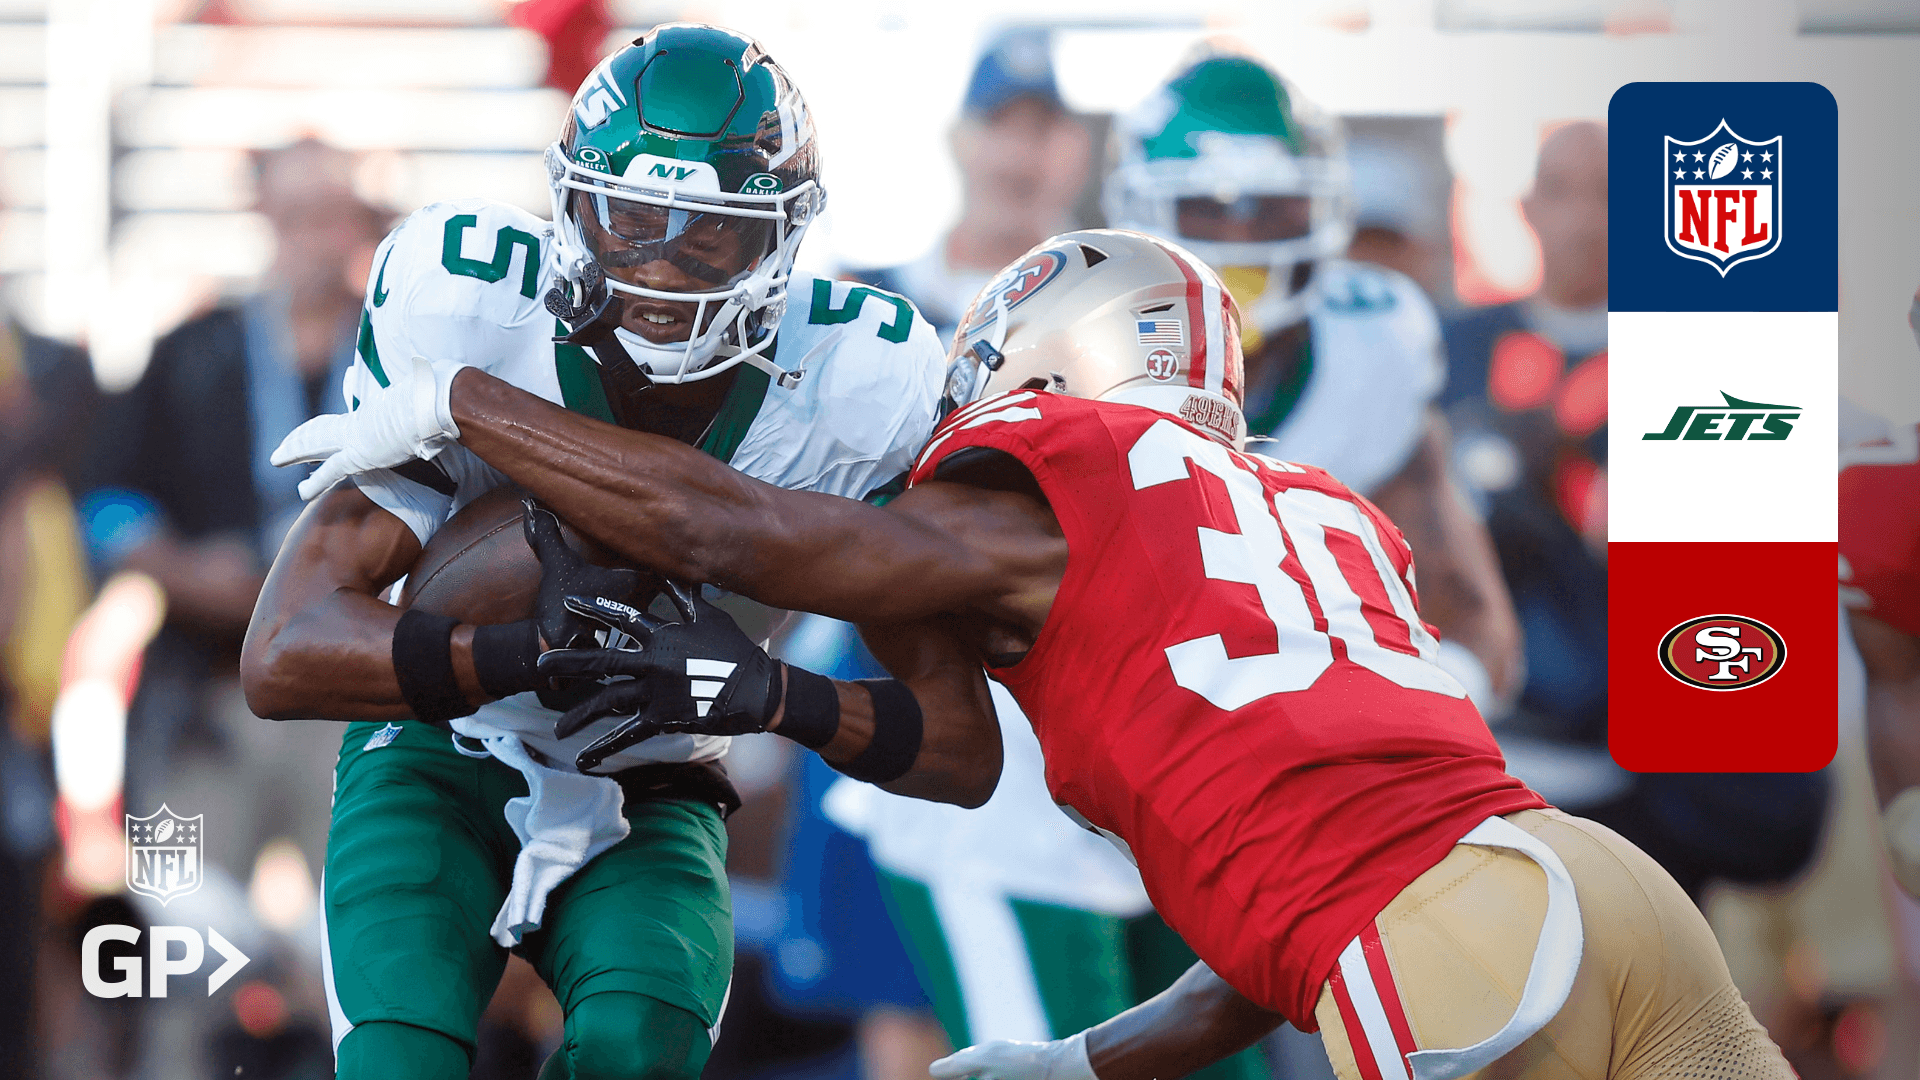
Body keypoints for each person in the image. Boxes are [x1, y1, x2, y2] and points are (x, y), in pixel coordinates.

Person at [278, 229, 1794, 1079]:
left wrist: (463, 404)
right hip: (1596, 884)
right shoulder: (1318, 505)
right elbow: (1295, 911)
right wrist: (1076, 1066)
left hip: (1440, 940)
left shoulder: (1059, 476)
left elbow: (736, 529)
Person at [239, 24, 946, 1080]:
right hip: (443, 746)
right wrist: (522, 655)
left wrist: (769, 695)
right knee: (398, 1056)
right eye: (632, 219)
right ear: (572, 206)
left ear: (782, 238)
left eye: (710, 235)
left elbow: (958, 746)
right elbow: (281, 654)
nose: (660, 265)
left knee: (637, 1047)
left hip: (654, 778)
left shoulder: (857, 381)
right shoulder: (468, 299)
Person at [835, 36, 1254, 1074]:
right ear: (962, 138)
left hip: (1136, 772)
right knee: (920, 1019)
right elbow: (826, 540)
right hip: (968, 750)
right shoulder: (873, 308)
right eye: (1006, 123)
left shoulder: (1151, 307)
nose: (1025, 151)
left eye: (1048, 126)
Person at [1440, 121, 1826, 899]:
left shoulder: (1704, 356)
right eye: (1562, 191)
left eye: (1609, 194)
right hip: (1481, 755)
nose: (1585, 219)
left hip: (1647, 774)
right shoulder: (1453, 347)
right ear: (1527, 206)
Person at [1105, 51, 1521, 715]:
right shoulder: (1078, 347)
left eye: (1272, 208)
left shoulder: (1374, 345)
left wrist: (1412, 712)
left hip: (1316, 731)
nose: (1241, 236)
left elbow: (1474, 626)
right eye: (1207, 208)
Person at [81, 137, 389, 873]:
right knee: (180, 910)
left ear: (363, 224)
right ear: (263, 215)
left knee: (357, 918)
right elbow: (105, 504)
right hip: (206, 693)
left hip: (356, 700)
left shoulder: (402, 355)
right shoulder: (191, 350)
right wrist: (181, 570)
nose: (312, 238)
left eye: (330, 215)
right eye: (294, 214)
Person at [844, 26, 1093, 344]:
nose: (1018, 158)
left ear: (1075, 150)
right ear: (957, 140)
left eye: (1038, 131)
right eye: (998, 126)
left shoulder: (1105, 304)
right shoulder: (866, 302)